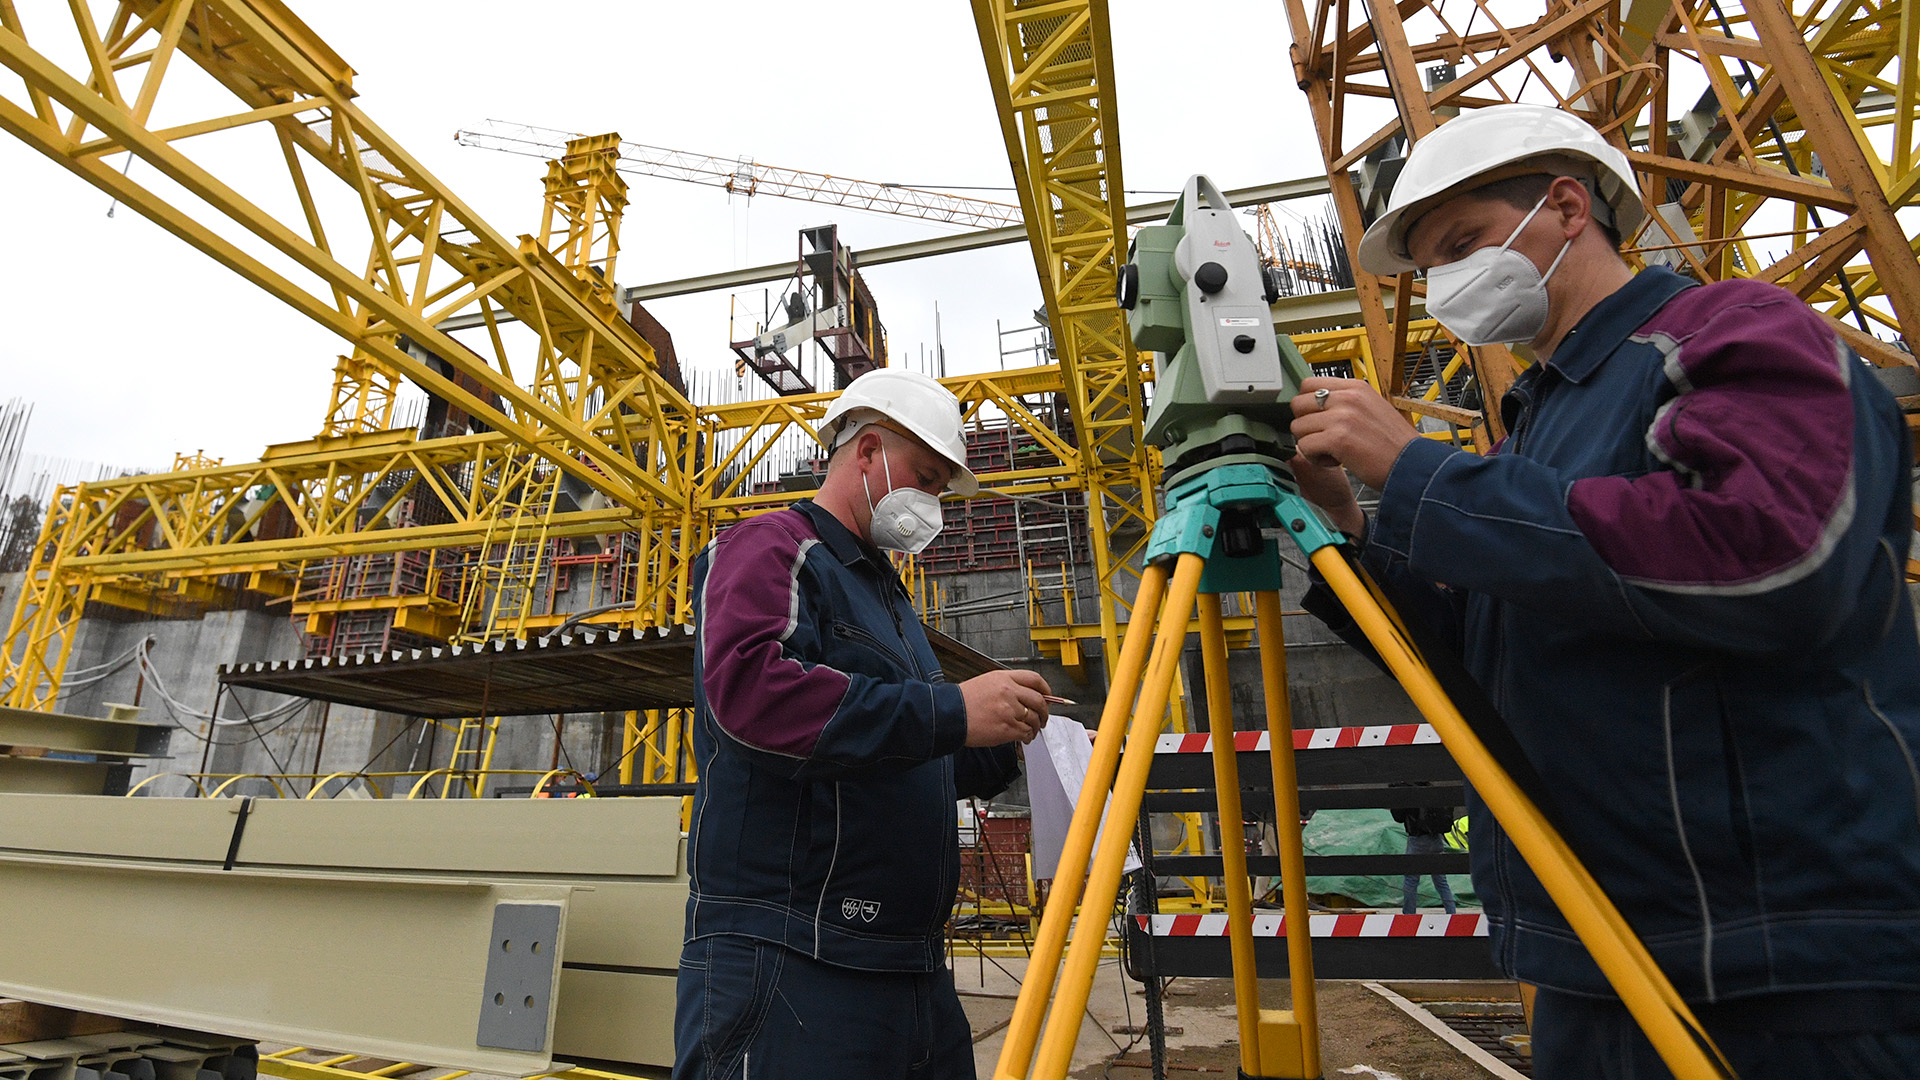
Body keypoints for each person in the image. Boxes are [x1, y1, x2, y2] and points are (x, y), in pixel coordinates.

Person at [1287, 103, 1920, 1078]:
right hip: (1595, 951)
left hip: (1780, 969)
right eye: (1433, 267)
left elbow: (1777, 558)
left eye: (1462, 245)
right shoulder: (1539, 424)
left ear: (1568, 206)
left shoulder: (1731, 333)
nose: (1450, 284)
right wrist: (1355, 528)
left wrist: (1423, 475)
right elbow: (1489, 663)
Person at [674, 368, 1053, 1080]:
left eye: (942, 486)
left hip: (906, 966)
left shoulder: (887, 598)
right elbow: (752, 698)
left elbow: (918, 747)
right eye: (926, 475)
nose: (931, 499)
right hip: (793, 960)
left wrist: (1021, 739)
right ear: (868, 451)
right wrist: (953, 708)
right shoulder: (774, 547)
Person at [1389, 797, 1458, 915]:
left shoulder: (1409, 794)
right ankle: (1451, 912)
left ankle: (1409, 915)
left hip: (1417, 839)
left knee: (1411, 880)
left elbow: (1399, 817)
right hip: (1436, 839)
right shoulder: (1429, 791)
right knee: (1441, 881)